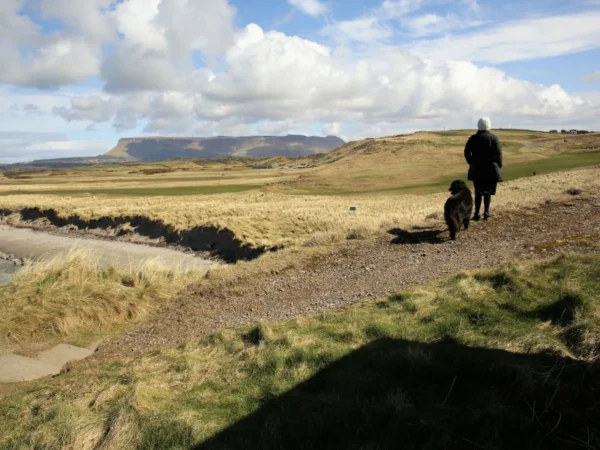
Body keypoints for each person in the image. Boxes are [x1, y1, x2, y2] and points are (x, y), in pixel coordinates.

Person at [464, 117, 503, 221]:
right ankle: (486, 213)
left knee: (478, 192)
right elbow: (498, 154)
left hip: (476, 169)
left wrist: (471, 162)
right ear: (489, 126)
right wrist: (499, 165)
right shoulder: (494, 138)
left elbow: (467, 152)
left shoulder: (473, 138)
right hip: (490, 169)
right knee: (487, 192)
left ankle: (476, 214)